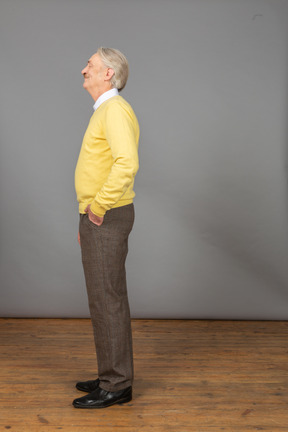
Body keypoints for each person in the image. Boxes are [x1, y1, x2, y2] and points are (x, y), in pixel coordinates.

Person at [73, 47, 139, 409]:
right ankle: (109, 375)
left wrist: (96, 210)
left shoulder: (114, 110)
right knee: (103, 297)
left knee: (107, 298)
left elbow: (126, 163)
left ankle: (117, 384)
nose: (84, 70)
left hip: (107, 214)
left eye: (91, 65)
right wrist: (87, 214)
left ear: (108, 74)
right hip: (99, 215)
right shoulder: (106, 111)